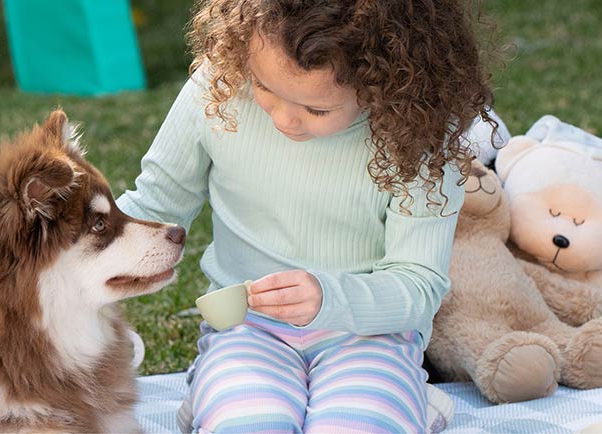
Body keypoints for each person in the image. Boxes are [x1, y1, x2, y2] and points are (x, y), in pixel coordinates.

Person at [115, 0, 497, 432]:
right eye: (263, 86)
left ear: (383, 84)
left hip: (370, 337)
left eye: (316, 110)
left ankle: (404, 397)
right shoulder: (217, 87)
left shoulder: (418, 137)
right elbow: (153, 206)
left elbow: (419, 285)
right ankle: (219, 396)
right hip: (248, 329)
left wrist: (329, 299)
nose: (282, 118)